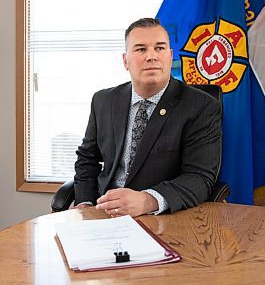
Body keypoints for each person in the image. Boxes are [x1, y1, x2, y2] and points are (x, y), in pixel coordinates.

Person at [73, 18, 222, 217]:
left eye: (159, 48)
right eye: (141, 49)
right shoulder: (103, 101)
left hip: (163, 216)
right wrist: (84, 203)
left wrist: (148, 200)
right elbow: (87, 159)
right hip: (104, 212)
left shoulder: (201, 106)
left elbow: (200, 177)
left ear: (170, 56)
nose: (151, 57)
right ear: (125, 61)